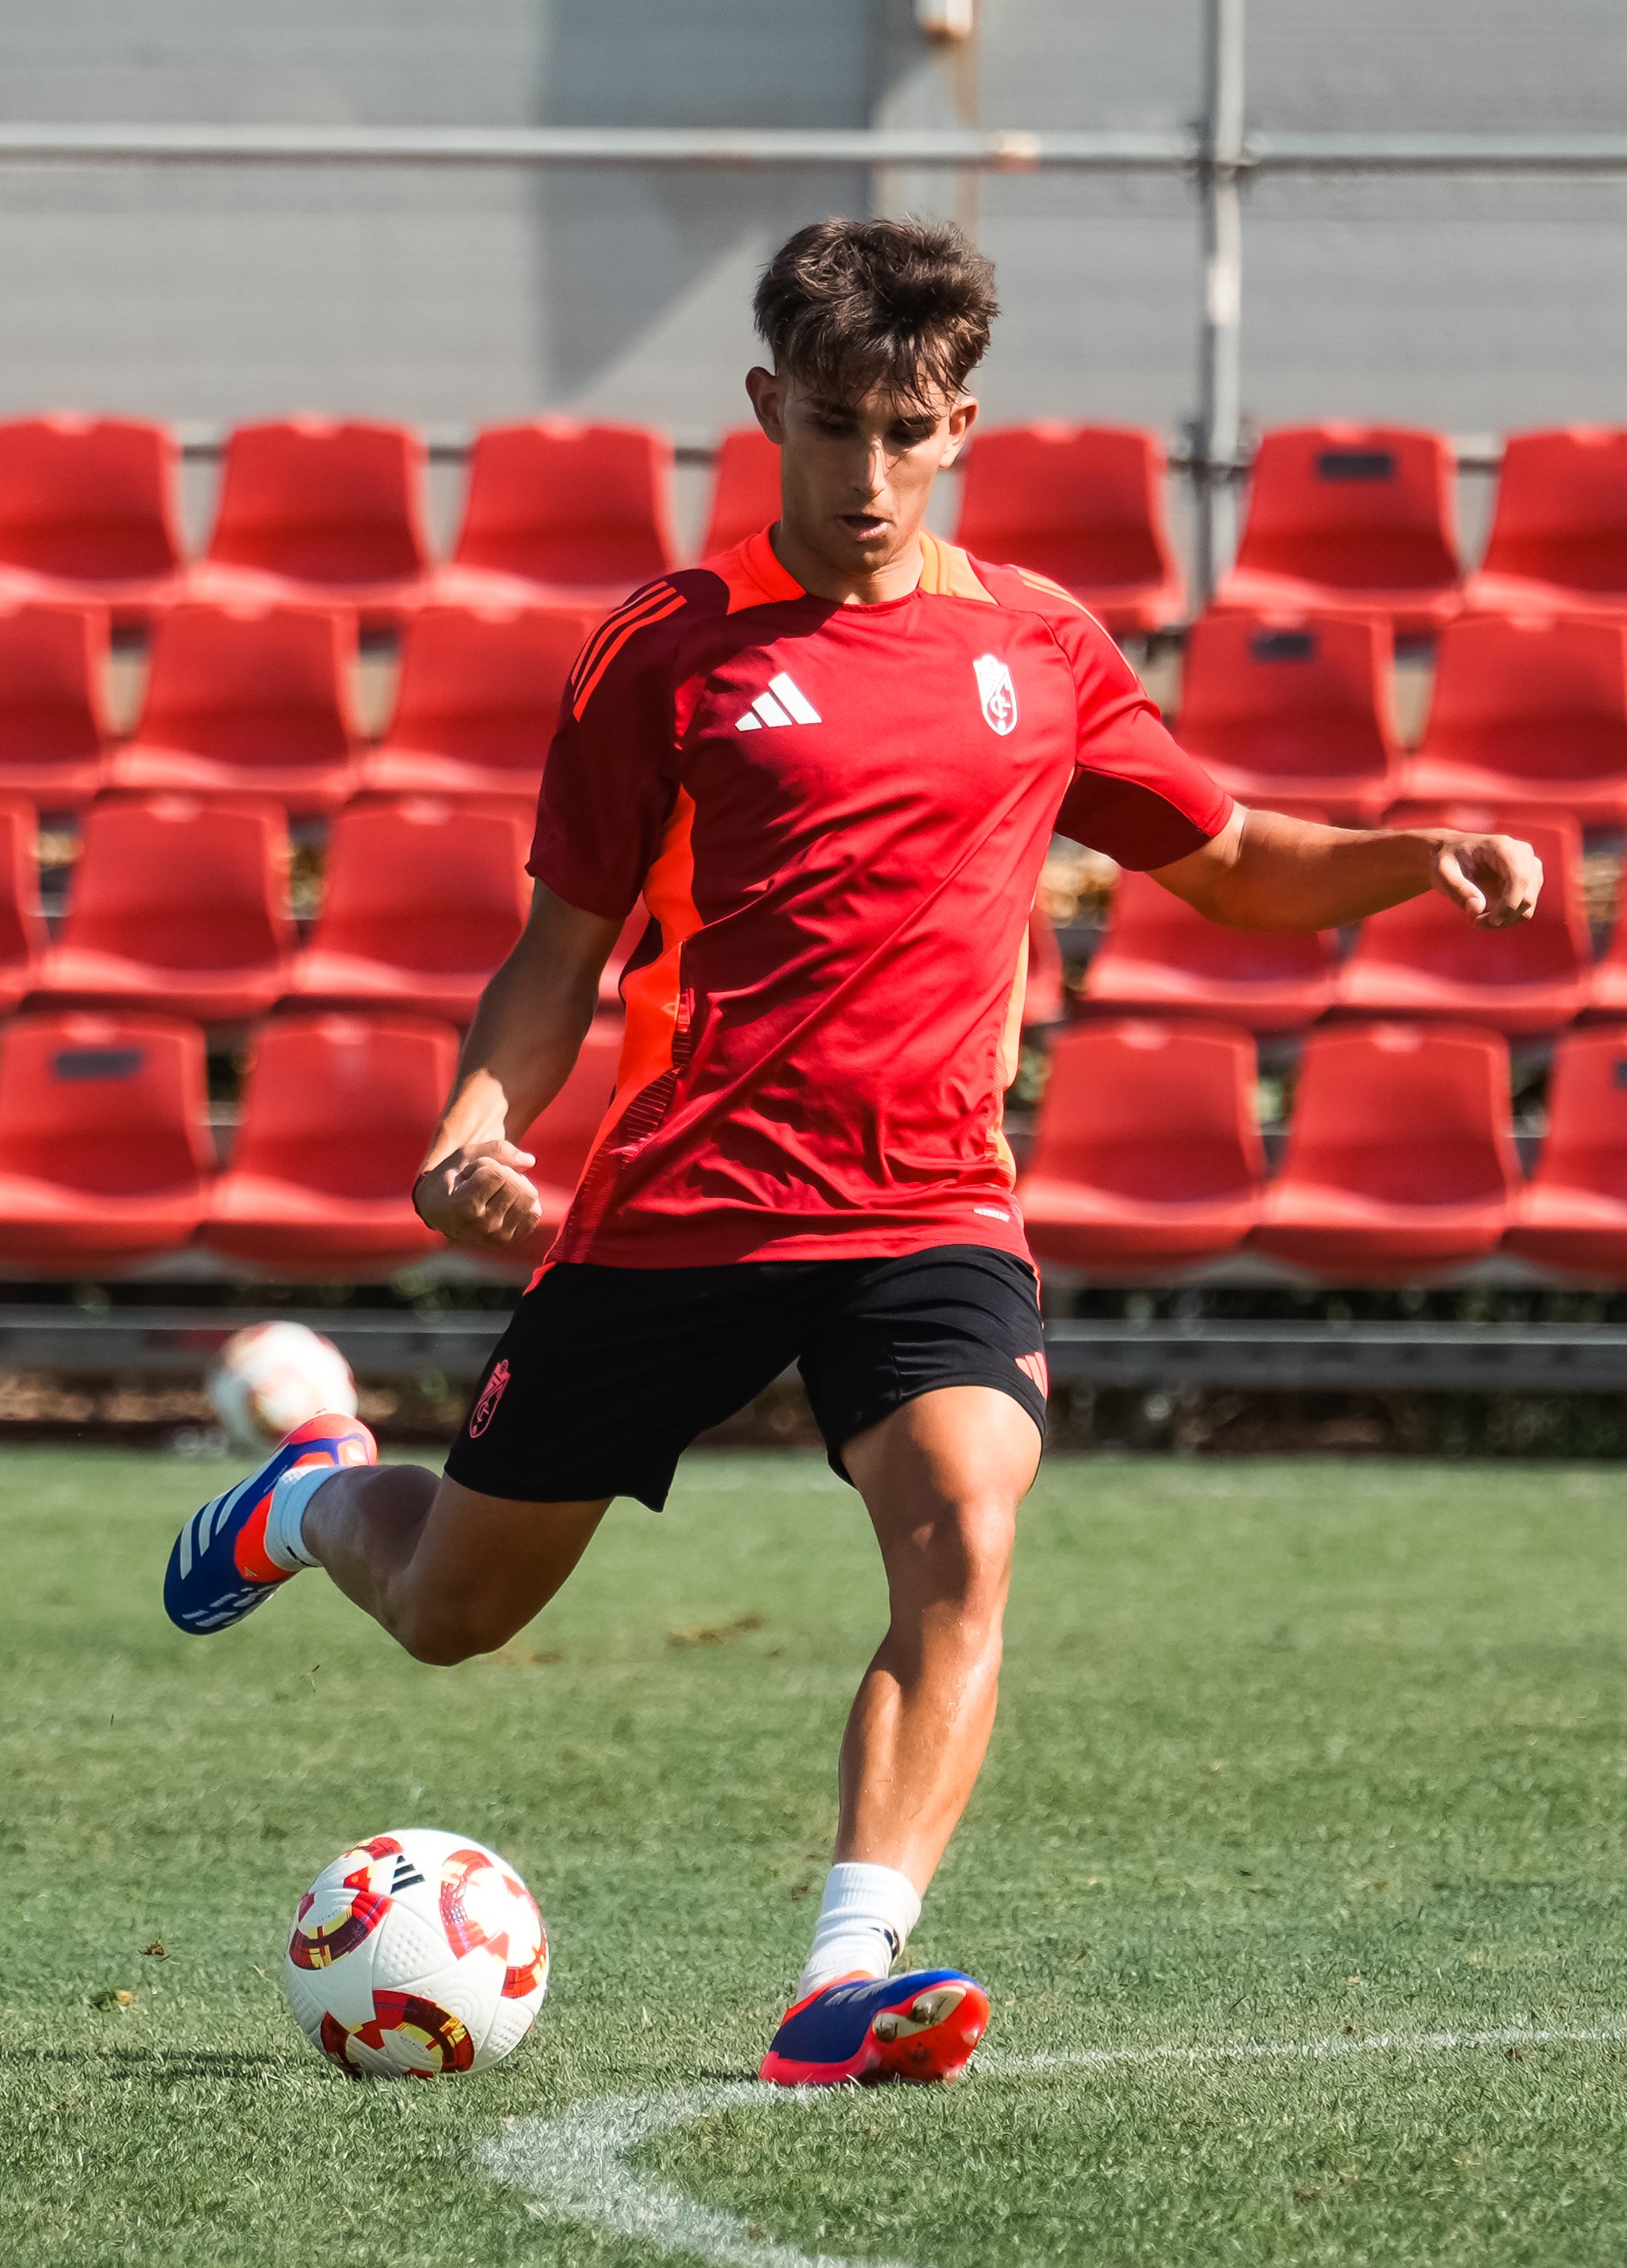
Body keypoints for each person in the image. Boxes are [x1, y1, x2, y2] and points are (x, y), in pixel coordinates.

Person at [164, 217, 1541, 2088]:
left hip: (930, 1209)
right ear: (765, 409)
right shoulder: (664, 648)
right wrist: (478, 1120)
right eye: (831, 426)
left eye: (905, 430)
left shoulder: (1038, 648)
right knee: (448, 1613)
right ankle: (312, 1490)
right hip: (686, 1209)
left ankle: (843, 1972)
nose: (868, 472)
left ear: (959, 421)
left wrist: (1413, 851)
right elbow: (556, 950)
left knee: (965, 1528)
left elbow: (1226, 860)